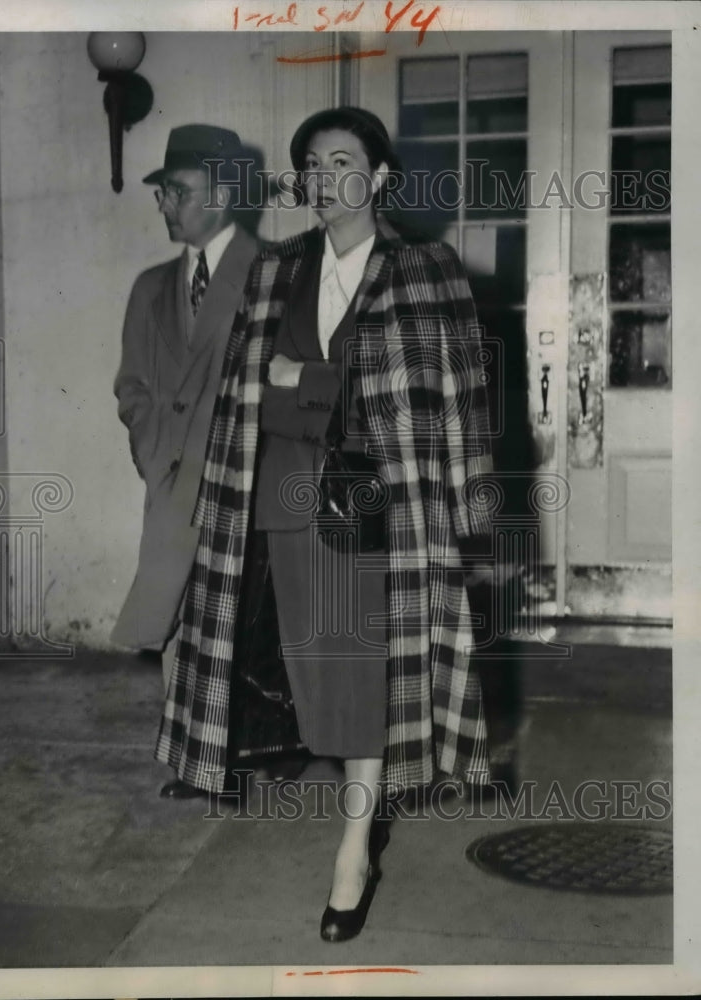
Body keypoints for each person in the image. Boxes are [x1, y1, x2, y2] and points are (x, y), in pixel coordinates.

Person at [155, 107, 496, 939]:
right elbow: (249, 394)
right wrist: (314, 387)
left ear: (379, 178)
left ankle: (353, 848)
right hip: (278, 501)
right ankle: (361, 813)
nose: (320, 178)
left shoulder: (427, 268)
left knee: (355, 676)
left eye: (340, 161)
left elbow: (459, 397)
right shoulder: (275, 271)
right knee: (313, 677)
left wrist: (473, 509)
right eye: (310, 164)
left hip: (377, 505)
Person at [112, 124, 302, 799]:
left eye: (178, 192)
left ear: (221, 196)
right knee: (176, 627)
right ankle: (195, 761)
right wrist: (151, 447)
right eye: (162, 192)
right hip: (170, 479)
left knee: (232, 621)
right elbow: (131, 385)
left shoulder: (276, 273)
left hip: (240, 481)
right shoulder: (150, 287)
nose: (165, 204)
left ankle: (238, 758)